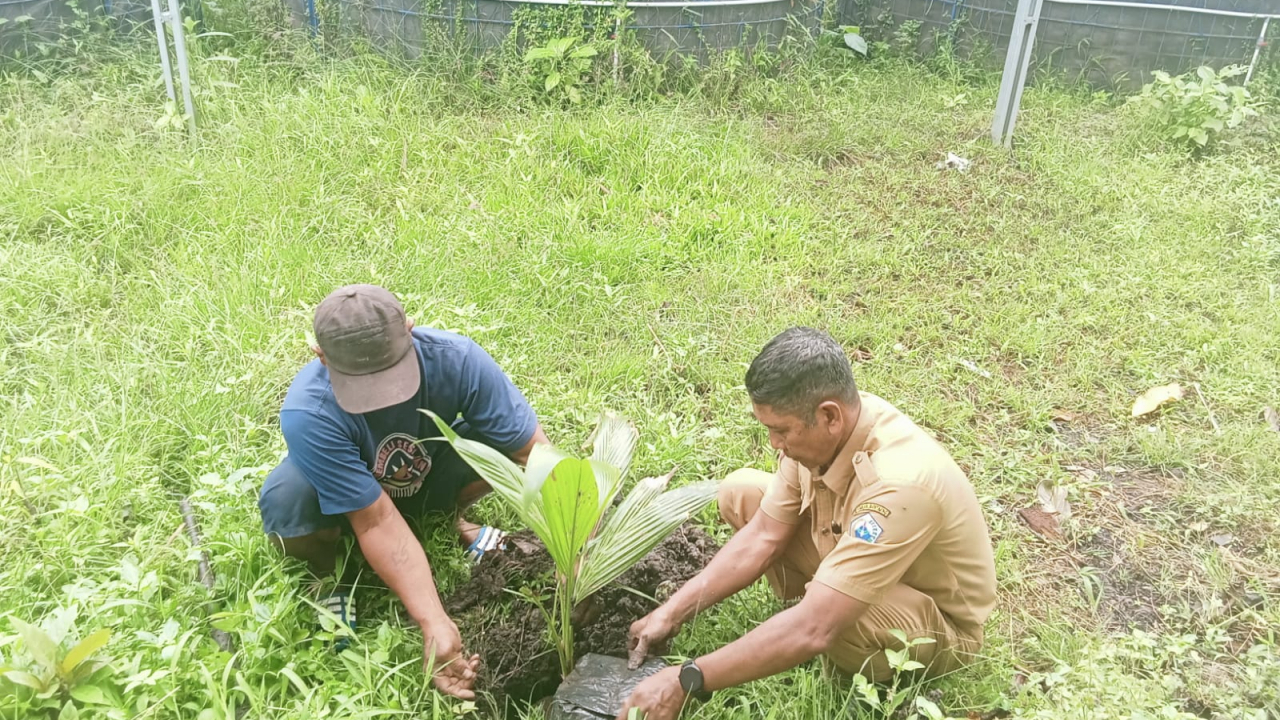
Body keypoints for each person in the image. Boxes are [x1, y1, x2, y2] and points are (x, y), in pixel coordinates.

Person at [618, 327, 996, 720]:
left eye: (780, 430)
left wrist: (687, 678)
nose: (773, 444)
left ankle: (827, 619)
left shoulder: (901, 484)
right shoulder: (832, 427)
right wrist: (671, 611)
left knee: (837, 621)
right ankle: (816, 603)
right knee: (741, 492)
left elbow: (816, 626)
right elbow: (763, 535)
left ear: (829, 415)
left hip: (939, 623)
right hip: (866, 564)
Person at [258, 284, 548, 700]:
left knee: (502, 440)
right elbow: (375, 518)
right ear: (320, 356)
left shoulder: (458, 359)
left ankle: (451, 520)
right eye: (363, 384)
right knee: (287, 502)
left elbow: (536, 453)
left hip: (429, 472)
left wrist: (578, 545)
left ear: (411, 329)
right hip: (360, 500)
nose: (380, 398)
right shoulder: (309, 412)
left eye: (392, 374)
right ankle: (333, 577)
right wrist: (434, 622)